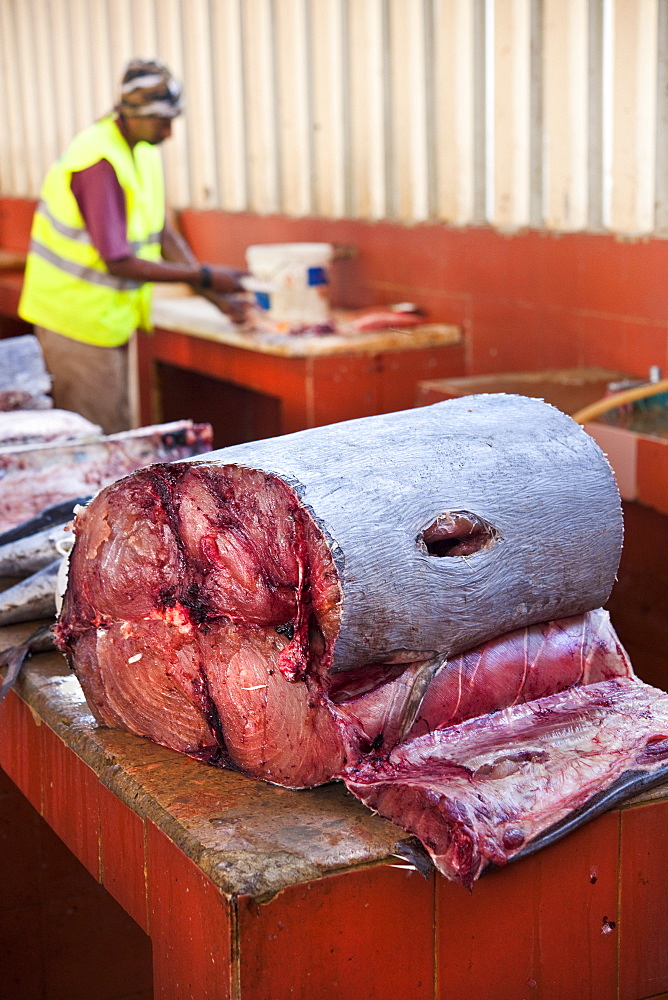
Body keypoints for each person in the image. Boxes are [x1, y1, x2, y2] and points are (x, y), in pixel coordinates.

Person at [19, 58, 247, 434]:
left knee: (115, 432)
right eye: (163, 122)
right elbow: (118, 260)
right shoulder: (98, 161)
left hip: (108, 323)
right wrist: (205, 274)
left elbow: (162, 232)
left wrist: (212, 294)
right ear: (133, 114)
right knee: (97, 448)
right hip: (75, 325)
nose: (170, 132)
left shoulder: (141, 150)